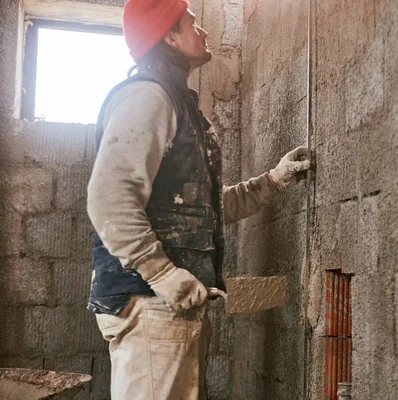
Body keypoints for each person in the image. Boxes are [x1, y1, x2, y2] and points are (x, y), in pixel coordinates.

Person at [86, 0, 312, 398]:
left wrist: (273, 180)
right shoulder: (146, 96)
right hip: (150, 301)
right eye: (192, 22)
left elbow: (198, 211)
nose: (203, 30)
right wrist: (163, 274)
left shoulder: (177, 102)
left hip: (165, 303)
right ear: (169, 36)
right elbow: (109, 200)